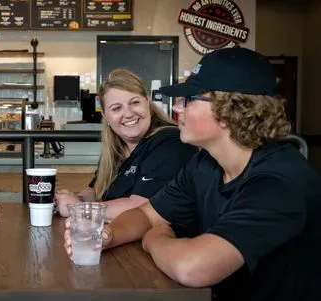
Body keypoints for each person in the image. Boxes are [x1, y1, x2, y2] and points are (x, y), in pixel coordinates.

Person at [64, 47, 321, 301]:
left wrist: (155, 237)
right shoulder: (205, 164)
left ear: (228, 111)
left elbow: (193, 268)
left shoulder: (279, 183)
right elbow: (145, 214)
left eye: (187, 99)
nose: (176, 108)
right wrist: (108, 236)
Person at [55, 69, 197, 222]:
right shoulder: (116, 148)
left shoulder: (170, 142)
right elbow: (95, 190)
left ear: (147, 103)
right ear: (105, 116)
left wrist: (78, 209)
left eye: (135, 102)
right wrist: (73, 198)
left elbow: (141, 208)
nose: (128, 114)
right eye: (116, 108)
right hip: (119, 240)